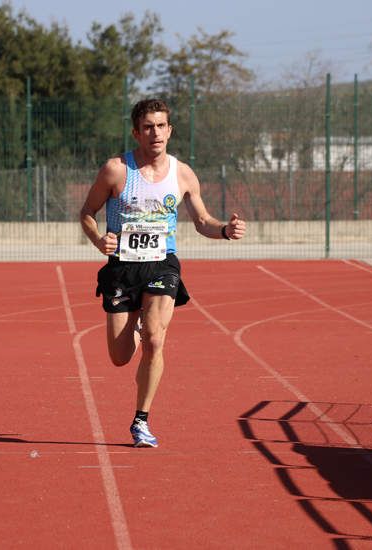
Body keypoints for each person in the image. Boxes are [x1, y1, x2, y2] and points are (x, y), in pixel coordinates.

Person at [79, 98, 246, 447]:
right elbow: (87, 212)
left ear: (170, 130)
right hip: (122, 267)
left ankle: (141, 420)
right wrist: (98, 240)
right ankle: (137, 321)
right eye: (148, 127)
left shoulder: (182, 173)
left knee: (156, 339)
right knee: (120, 357)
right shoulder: (116, 170)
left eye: (161, 126)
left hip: (162, 264)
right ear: (136, 132)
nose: (155, 133)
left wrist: (224, 231)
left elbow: (202, 221)